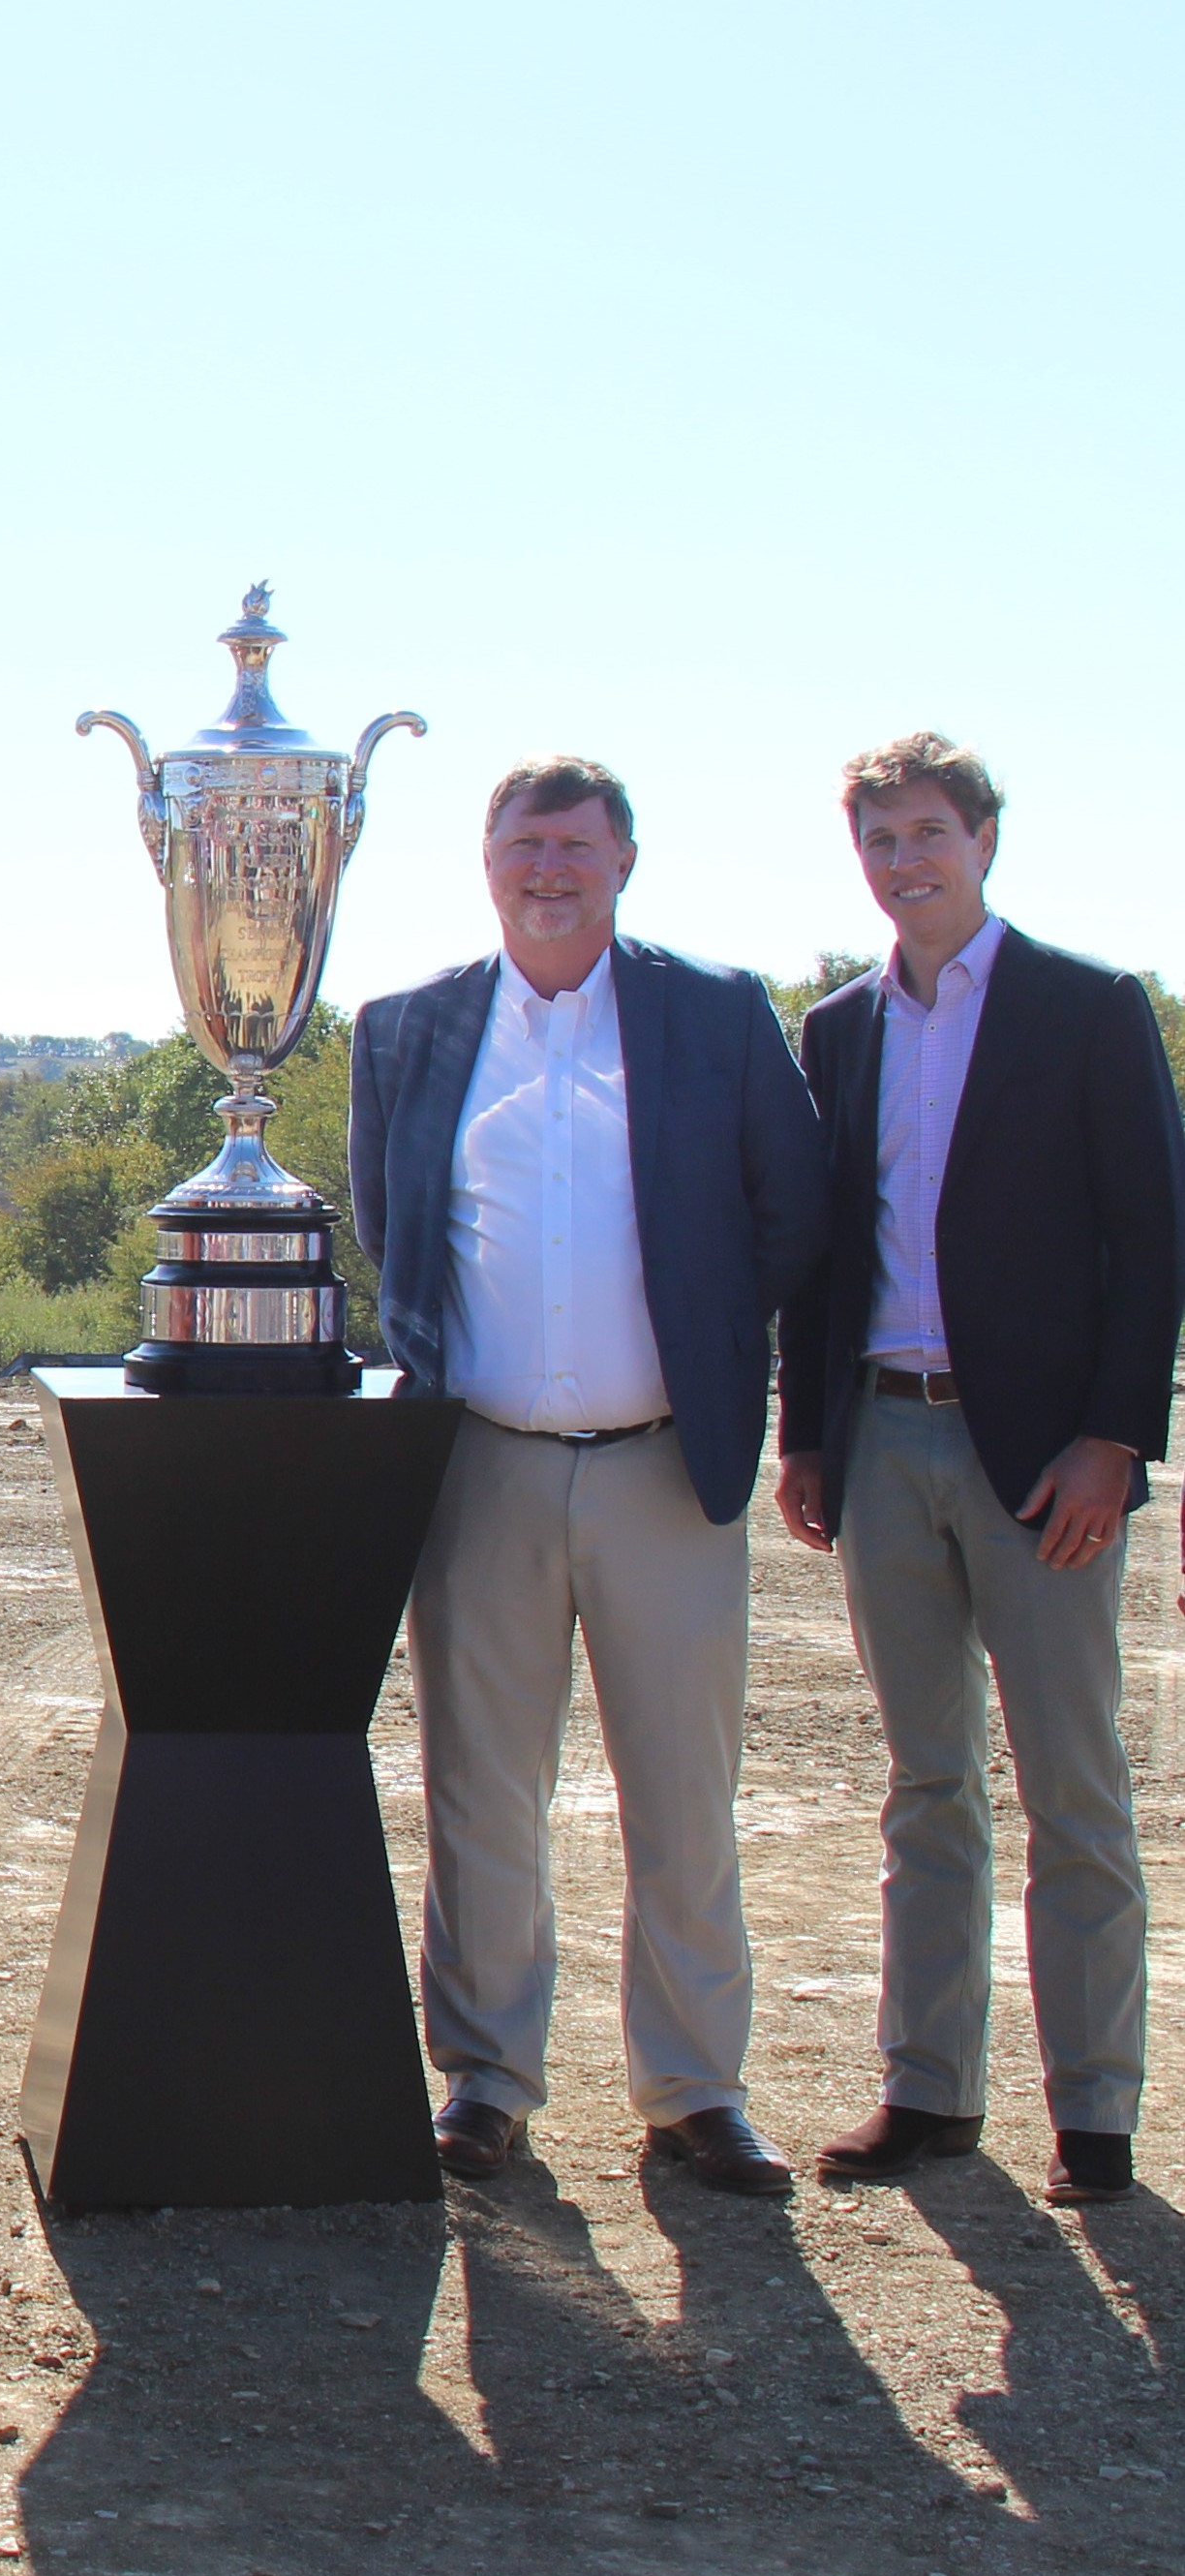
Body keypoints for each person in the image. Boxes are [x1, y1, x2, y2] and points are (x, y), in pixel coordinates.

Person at [349, 756, 827, 2195]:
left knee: (680, 1794)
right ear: (484, 864)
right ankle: (484, 2084)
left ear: (624, 861)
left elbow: (790, 1216)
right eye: (520, 845)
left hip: (663, 1468)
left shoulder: (713, 1013)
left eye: (573, 844)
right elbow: (393, 1232)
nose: (545, 868)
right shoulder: (408, 1028)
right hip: (478, 1468)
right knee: (479, 1792)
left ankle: (691, 2094)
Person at [775, 734, 1182, 2208]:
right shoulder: (837, 1029)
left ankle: (1095, 2118)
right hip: (883, 1437)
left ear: (985, 838)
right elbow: (821, 1251)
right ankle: (929, 2094)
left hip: (1042, 1461)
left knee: (1075, 1790)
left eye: (926, 833)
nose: (903, 863)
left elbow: (1152, 1241)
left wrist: (1114, 1441)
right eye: (878, 840)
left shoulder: (1084, 1010)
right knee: (923, 1785)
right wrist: (806, 1434)